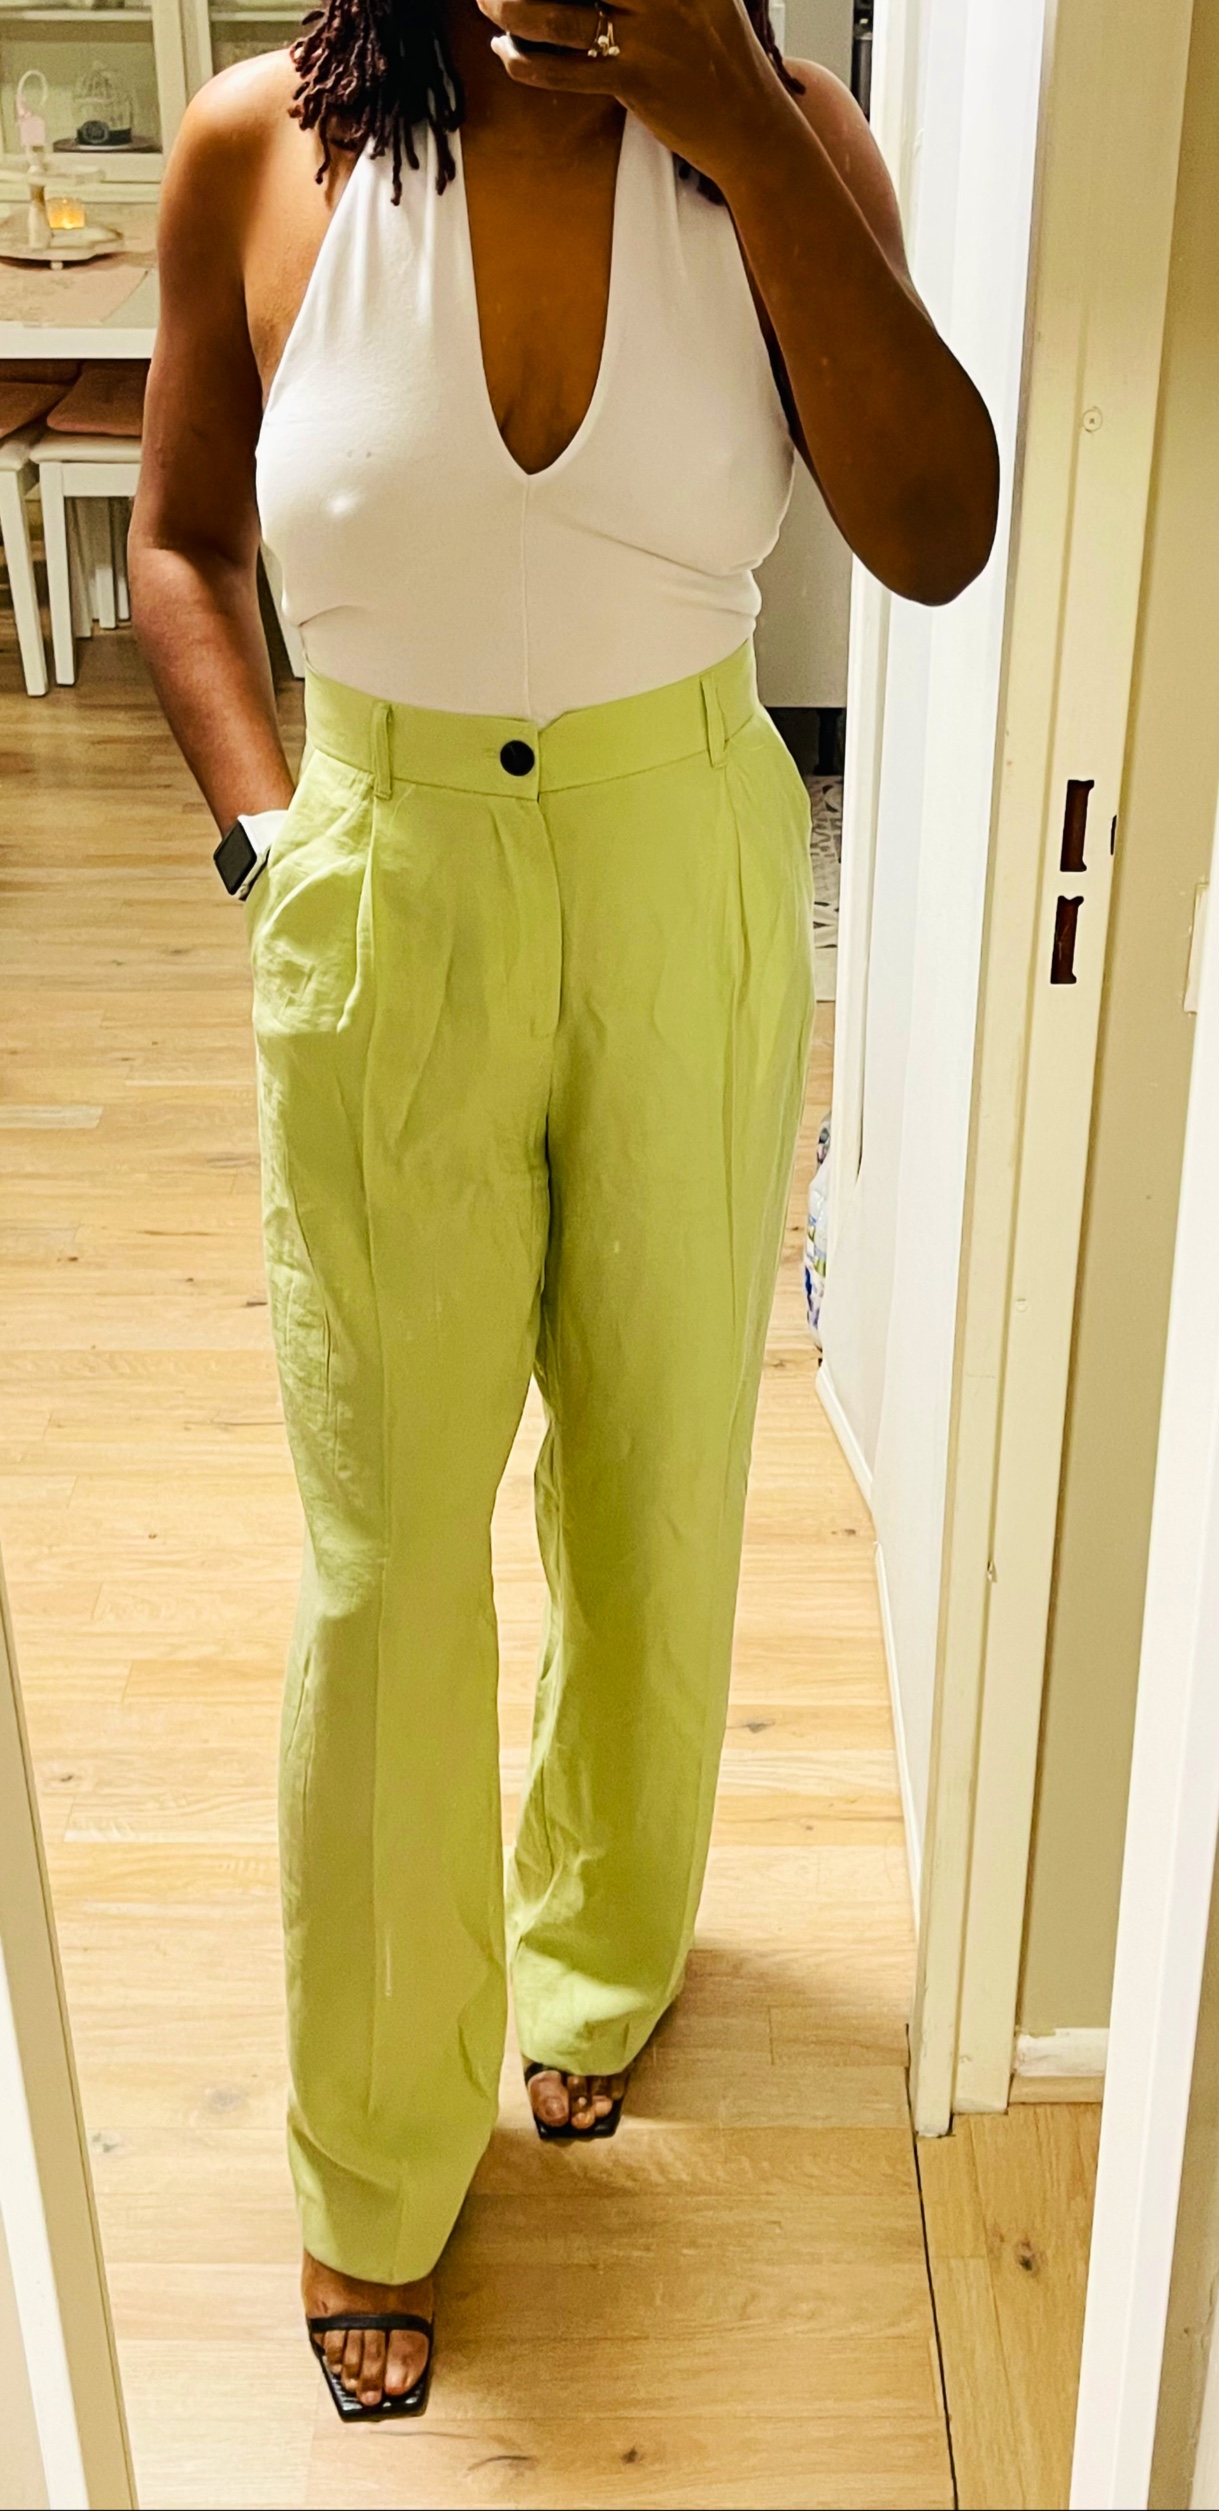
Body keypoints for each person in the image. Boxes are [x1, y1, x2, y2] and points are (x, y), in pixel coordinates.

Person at [129, 0, 997, 2421]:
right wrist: (270, 842)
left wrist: (740, 121)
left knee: (654, 1472)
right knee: (384, 1546)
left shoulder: (783, 141)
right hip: (384, 880)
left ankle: (599, 1947)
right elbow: (182, 547)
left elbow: (937, 532)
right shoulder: (254, 149)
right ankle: (372, 2142)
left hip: (677, 868)